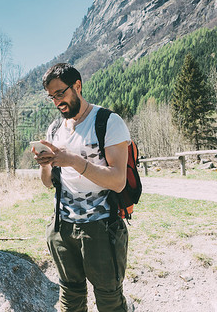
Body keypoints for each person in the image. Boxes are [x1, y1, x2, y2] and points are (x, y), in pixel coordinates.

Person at [33, 63, 131, 312]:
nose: (57, 102)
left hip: (101, 227)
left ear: (77, 86)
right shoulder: (55, 129)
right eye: (51, 97)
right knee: (70, 299)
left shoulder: (108, 121)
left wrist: (75, 161)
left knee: (109, 300)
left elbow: (118, 180)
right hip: (63, 227)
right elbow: (48, 183)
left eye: (61, 93)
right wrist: (45, 165)